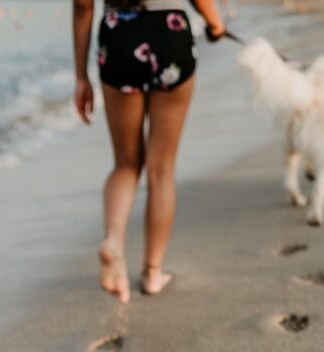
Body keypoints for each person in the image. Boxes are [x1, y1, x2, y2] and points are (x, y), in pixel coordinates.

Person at [73, 0, 225, 303]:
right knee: (162, 168)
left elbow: (82, 5)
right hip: (169, 33)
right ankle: (153, 272)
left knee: (126, 165)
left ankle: (114, 242)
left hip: (119, 36)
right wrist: (216, 23)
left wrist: (81, 76)